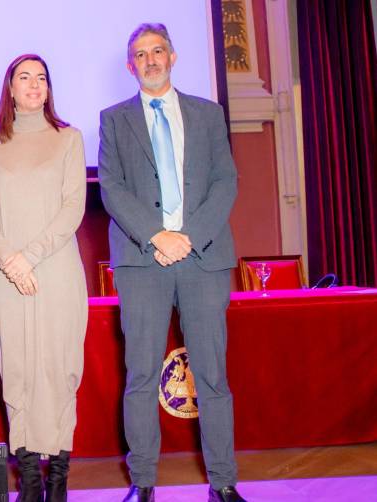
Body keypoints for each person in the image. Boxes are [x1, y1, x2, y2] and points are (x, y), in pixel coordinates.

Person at [97, 23, 245, 502]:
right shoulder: (114, 119)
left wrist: (187, 237)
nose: (150, 60)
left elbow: (225, 181)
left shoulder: (207, 114)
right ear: (130, 65)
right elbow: (113, 189)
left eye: (157, 51)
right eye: (140, 54)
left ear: (174, 56)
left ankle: (223, 483)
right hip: (143, 262)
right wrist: (158, 235)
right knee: (140, 375)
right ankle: (143, 486)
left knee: (212, 376)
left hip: (203, 258)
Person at [0, 53, 88, 502]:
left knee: (60, 371)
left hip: (56, 271)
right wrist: (10, 259)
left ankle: (58, 478)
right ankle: (30, 481)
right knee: (17, 371)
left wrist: (31, 257)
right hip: (6, 276)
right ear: (10, 88)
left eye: (42, 77)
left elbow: (72, 207)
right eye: (25, 77)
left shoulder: (69, 138)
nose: (35, 85)